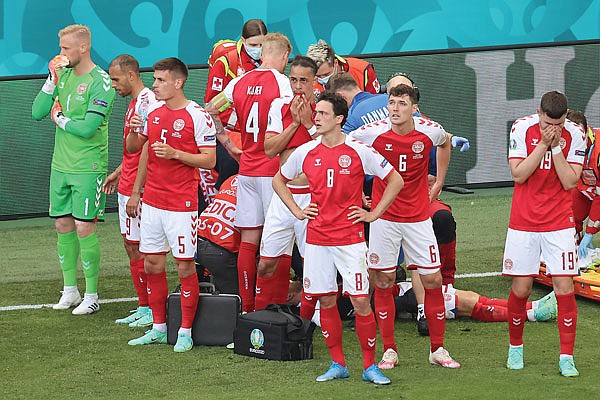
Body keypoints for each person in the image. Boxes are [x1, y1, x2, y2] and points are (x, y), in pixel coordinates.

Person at [273, 92, 404, 385]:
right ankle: (338, 364)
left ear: (339, 119)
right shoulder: (306, 151)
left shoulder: (359, 150)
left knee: (360, 301)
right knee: (327, 299)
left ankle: (370, 367)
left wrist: (373, 214)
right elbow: (278, 179)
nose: (316, 117)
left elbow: (395, 179)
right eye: (315, 112)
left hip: (350, 240)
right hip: (317, 240)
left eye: (322, 113)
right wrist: (297, 210)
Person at [351, 84, 461, 370]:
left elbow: (445, 141)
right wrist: (356, 192)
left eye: (401, 103)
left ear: (414, 107)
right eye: (391, 103)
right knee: (384, 282)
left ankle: (437, 348)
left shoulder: (429, 129)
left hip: (417, 219)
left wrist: (438, 182)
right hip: (384, 220)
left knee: (433, 280)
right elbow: (347, 152)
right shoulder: (371, 131)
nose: (395, 109)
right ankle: (389, 350)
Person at [125, 57, 216, 352]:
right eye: (155, 79)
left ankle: (186, 331)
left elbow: (210, 160)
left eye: (161, 80)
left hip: (181, 203)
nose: (155, 85)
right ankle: (159, 328)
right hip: (152, 200)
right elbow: (135, 150)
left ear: (178, 83)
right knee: (152, 263)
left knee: (185, 266)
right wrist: (134, 131)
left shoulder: (197, 115)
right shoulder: (151, 111)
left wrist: (177, 154)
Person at [31, 24, 116, 315]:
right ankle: (70, 291)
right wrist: (51, 80)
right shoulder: (63, 75)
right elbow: (37, 112)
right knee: (62, 224)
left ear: (83, 48)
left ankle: (91, 295)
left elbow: (89, 127)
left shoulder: (101, 81)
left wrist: (61, 120)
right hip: (61, 166)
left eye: (66, 48)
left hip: (89, 166)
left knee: (83, 226)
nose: (61, 54)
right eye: (60, 48)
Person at [206, 32, 293, 312]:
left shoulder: (240, 81)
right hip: (273, 172)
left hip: (247, 171)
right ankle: (275, 306)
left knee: (249, 239)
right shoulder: (282, 84)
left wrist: (229, 143)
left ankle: (247, 308)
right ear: (283, 56)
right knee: (280, 240)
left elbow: (211, 108)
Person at [503, 91, 585, 377]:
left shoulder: (575, 134)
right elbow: (519, 174)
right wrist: (542, 145)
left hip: (560, 223)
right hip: (523, 222)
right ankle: (515, 348)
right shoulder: (521, 128)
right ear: (539, 113)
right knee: (521, 290)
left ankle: (566, 357)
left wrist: (558, 147)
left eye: (559, 124)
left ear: (566, 116)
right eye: (549, 123)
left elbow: (570, 182)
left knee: (565, 289)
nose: (554, 129)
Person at [254, 55, 319, 310]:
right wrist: (294, 124)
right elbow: (269, 150)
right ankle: (260, 319)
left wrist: (309, 123)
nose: (297, 86)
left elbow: (331, 149)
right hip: (284, 195)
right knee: (266, 263)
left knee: (311, 264)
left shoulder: (326, 106)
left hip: (313, 197)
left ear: (315, 82)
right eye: (293, 80)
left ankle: (306, 323)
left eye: (304, 80)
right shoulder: (279, 106)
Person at [103, 54, 161, 327]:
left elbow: (149, 147)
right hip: (127, 182)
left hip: (140, 188)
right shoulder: (136, 103)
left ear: (131, 75)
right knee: (131, 245)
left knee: (143, 247)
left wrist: (138, 190)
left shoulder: (148, 101)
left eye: (116, 79)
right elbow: (133, 149)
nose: (114, 85)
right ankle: (143, 305)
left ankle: (151, 308)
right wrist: (118, 172)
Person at [204, 19, 267, 188]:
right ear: (243, 40)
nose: (258, 50)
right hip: (229, 129)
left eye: (263, 44)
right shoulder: (225, 63)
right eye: (254, 44)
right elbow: (210, 106)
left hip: (260, 130)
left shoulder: (269, 60)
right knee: (232, 165)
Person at [196, 174, 241, 295]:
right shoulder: (264, 183)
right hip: (220, 248)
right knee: (236, 298)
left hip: (198, 238)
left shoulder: (231, 179)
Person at [568, 110, 600, 258]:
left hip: (598, 190)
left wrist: (590, 233)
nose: (576, 139)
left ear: (587, 132)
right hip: (585, 188)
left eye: (580, 135)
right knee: (568, 212)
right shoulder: (564, 143)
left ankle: (585, 241)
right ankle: (574, 249)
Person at [306, 39, 380, 97]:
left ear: (335, 63)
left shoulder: (363, 70)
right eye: (318, 76)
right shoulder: (305, 78)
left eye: (326, 75)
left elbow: (375, 103)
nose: (322, 79)